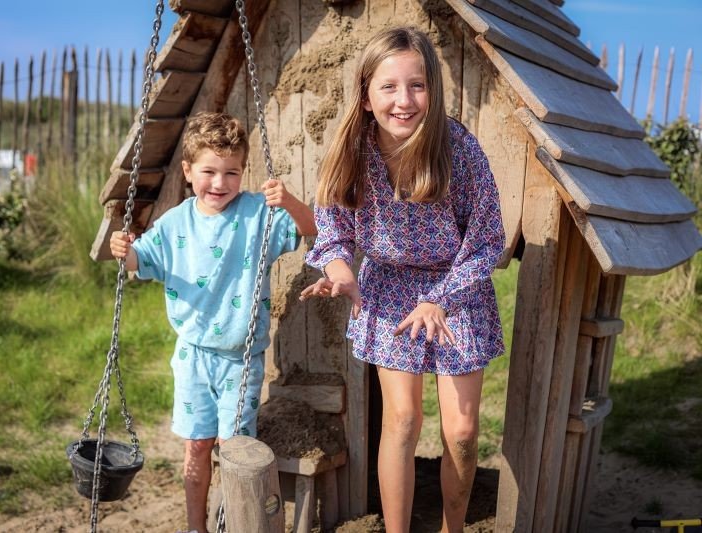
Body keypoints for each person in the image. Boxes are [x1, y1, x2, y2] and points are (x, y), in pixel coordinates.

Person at [299, 27, 505, 532]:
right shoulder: (351, 148)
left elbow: (486, 239)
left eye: (417, 85)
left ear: (432, 90)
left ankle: (452, 528)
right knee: (404, 419)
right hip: (389, 289)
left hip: (458, 290)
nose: (404, 100)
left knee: (460, 431)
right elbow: (332, 225)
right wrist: (340, 269)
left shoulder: (457, 148)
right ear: (366, 94)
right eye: (389, 87)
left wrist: (442, 298)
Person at [110, 111, 316, 533]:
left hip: (240, 360)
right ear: (188, 171)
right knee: (197, 446)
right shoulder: (175, 224)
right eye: (209, 171)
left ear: (243, 172)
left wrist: (288, 201)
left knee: (235, 449)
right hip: (192, 355)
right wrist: (123, 249)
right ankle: (195, 526)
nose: (219, 183)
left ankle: (233, 523)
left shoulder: (258, 214)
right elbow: (140, 261)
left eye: (231, 172)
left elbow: (313, 228)